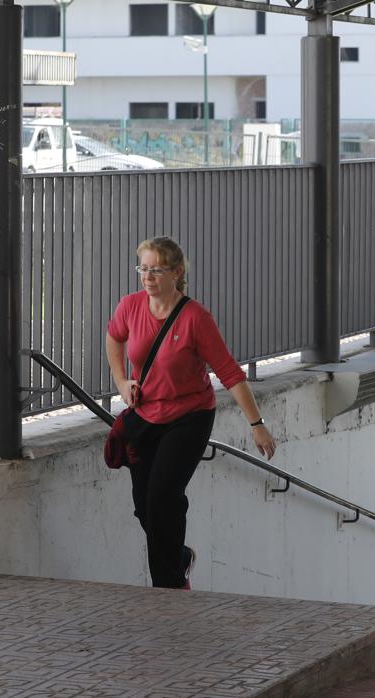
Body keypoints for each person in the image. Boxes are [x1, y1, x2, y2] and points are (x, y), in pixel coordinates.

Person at [105, 237, 276, 590]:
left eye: (156, 270)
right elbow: (114, 337)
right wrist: (122, 381)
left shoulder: (196, 318)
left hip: (189, 417)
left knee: (163, 495)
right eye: (143, 269)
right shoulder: (130, 306)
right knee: (144, 507)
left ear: (177, 272)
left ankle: (167, 587)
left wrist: (257, 425)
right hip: (145, 417)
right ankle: (180, 556)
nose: (148, 277)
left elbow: (229, 372)